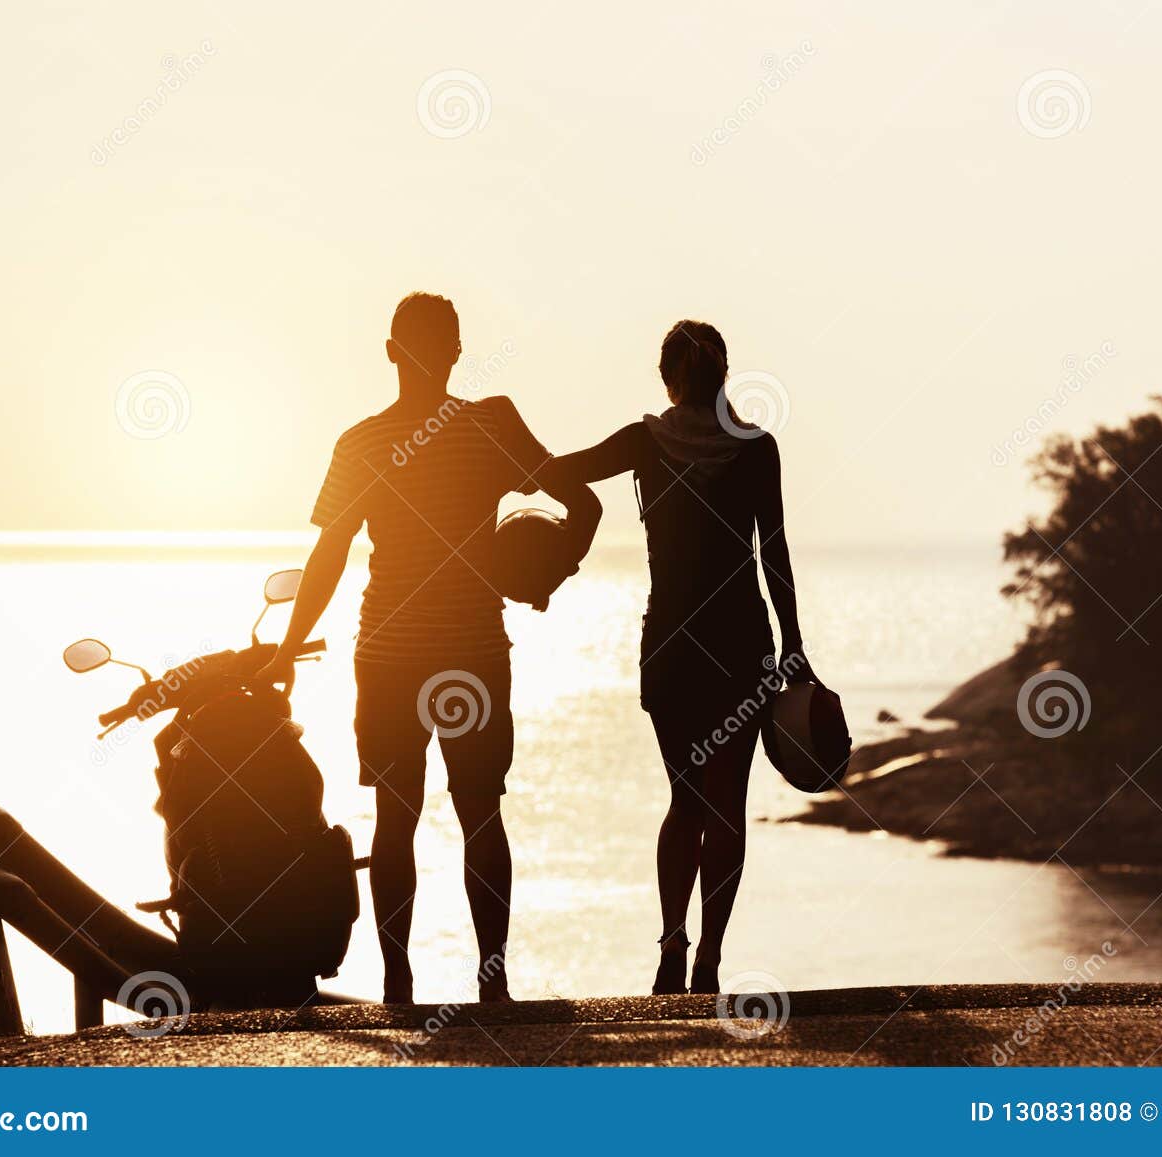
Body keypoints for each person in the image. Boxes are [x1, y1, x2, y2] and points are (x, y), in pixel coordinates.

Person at [258, 292, 599, 1004]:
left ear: (391, 351)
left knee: (396, 816)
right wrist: (550, 574)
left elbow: (329, 554)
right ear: (454, 352)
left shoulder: (362, 442)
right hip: (470, 651)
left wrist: (288, 646)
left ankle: (397, 982)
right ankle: (493, 981)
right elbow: (584, 503)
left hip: (388, 653)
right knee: (481, 811)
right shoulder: (489, 427)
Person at [535, 320, 816, 995]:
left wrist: (501, 457)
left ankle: (670, 943)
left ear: (668, 378)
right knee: (726, 806)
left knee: (683, 801)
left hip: (671, 647)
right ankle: (710, 958)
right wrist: (795, 645)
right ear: (726, 377)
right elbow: (772, 552)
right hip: (739, 646)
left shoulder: (644, 442)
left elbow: (559, 471)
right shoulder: (755, 449)